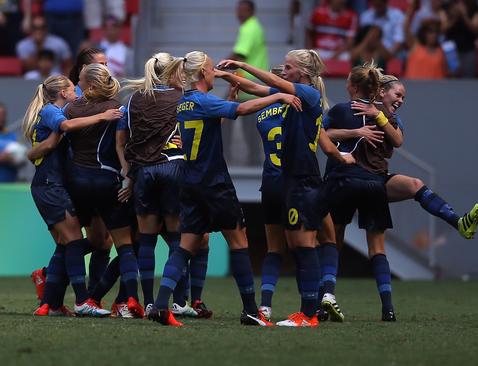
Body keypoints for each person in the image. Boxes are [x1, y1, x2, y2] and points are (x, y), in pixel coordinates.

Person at [149, 51, 299, 327]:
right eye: (210, 66)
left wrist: (228, 99)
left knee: (186, 244)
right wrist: (278, 96)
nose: (212, 70)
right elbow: (241, 111)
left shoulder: (185, 103)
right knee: (239, 242)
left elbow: (211, 120)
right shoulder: (204, 101)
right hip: (214, 183)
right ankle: (251, 310)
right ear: (204, 73)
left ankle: (160, 305)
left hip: (190, 182)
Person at [217, 49, 355, 328]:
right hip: (292, 180)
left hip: (304, 180)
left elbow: (272, 84)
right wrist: (224, 74)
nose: (284, 70)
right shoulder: (299, 96)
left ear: (301, 72)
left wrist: (243, 65)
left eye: (289, 67)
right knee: (297, 245)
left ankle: (309, 314)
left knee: (303, 246)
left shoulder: (308, 93)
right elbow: (260, 87)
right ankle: (308, 310)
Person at [116, 52, 211, 318]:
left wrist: (128, 174)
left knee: (145, 241)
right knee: (176, 240)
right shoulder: (181, 97)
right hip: (173, 168)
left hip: (143, 173)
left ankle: (147, 302)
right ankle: (179, 301)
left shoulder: (133, 100)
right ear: (171, 71)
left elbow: (121, 141)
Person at [21, 74, 122, 317]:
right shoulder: (50, 111)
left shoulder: (56, 112)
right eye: (72, 88)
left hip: (56, 185)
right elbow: (64, 127)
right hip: (49, 185)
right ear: (64, 93)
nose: (77, 91)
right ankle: (82, 299)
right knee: (75, 241)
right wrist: (102, 116)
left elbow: (46, 145)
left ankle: (52, 301)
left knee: (72, 244)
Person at [213, 65, 302, 322]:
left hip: (271, 180)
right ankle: (315, 303)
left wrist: (229, 75)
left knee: (274, 249)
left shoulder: (264, 109)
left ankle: (265, 306)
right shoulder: (302, 100)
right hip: (298, 182)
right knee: (308, 246)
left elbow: (253, 89)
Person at [351, 75, 478, 240]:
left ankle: (459, 222)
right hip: (350, 179)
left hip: (375, 178)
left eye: (403, 98)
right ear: (382, 92)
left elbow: (397, 141)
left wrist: (378, 115)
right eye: (398, 95)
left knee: (415, 185)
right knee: (333, 238)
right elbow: (328, 134)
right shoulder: (357, 109)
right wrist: (355, 132)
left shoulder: (393, 119)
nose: (401, 101)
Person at [61, 63, 144, 318]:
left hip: (76, 183)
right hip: (105, 181)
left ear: (91, 84)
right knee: (126, 245)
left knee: (73, 241)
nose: (78, 85)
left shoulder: (70, 109)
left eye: (81, 81)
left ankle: (76, 299)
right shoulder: (117, 108)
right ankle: (129, 302)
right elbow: (126, 144)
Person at [322, 64, 401, 322]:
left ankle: (327, 297)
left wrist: (352, 132)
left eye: (347, 81)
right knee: (377, 248)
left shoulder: (341, 110)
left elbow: (322, 135)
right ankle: (387, 308)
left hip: (343, 179)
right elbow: (397, 142)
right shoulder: (383, 115)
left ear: (353, 87)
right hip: (374, 185)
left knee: (333, 239)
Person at [225, 0, 269, 166]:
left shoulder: (248, 28)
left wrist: (227, 73)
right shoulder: (255, 26)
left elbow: (239, 55)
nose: (239, 13)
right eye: (238, 9)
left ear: (251, 11)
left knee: (226, 116)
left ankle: (226, 155)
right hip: (252, 80)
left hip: (246, 82)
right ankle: (254, 159)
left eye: (243, 10)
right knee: (249, 123)